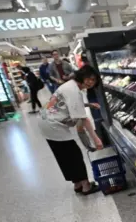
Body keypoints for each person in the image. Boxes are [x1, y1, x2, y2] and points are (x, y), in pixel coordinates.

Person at [39, 65, 103, 195]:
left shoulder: (69, 85)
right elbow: (83, 119)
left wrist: (88, 104)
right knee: (74, 155)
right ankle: (86, 186)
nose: (91, 82)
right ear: (82, 76)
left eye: (94, 80)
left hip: (45, 121)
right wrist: (96, 139)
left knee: (63, 156)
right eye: (89, 79)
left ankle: (77, 184)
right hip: (54, 125)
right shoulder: (74, 90)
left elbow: (64, 103)